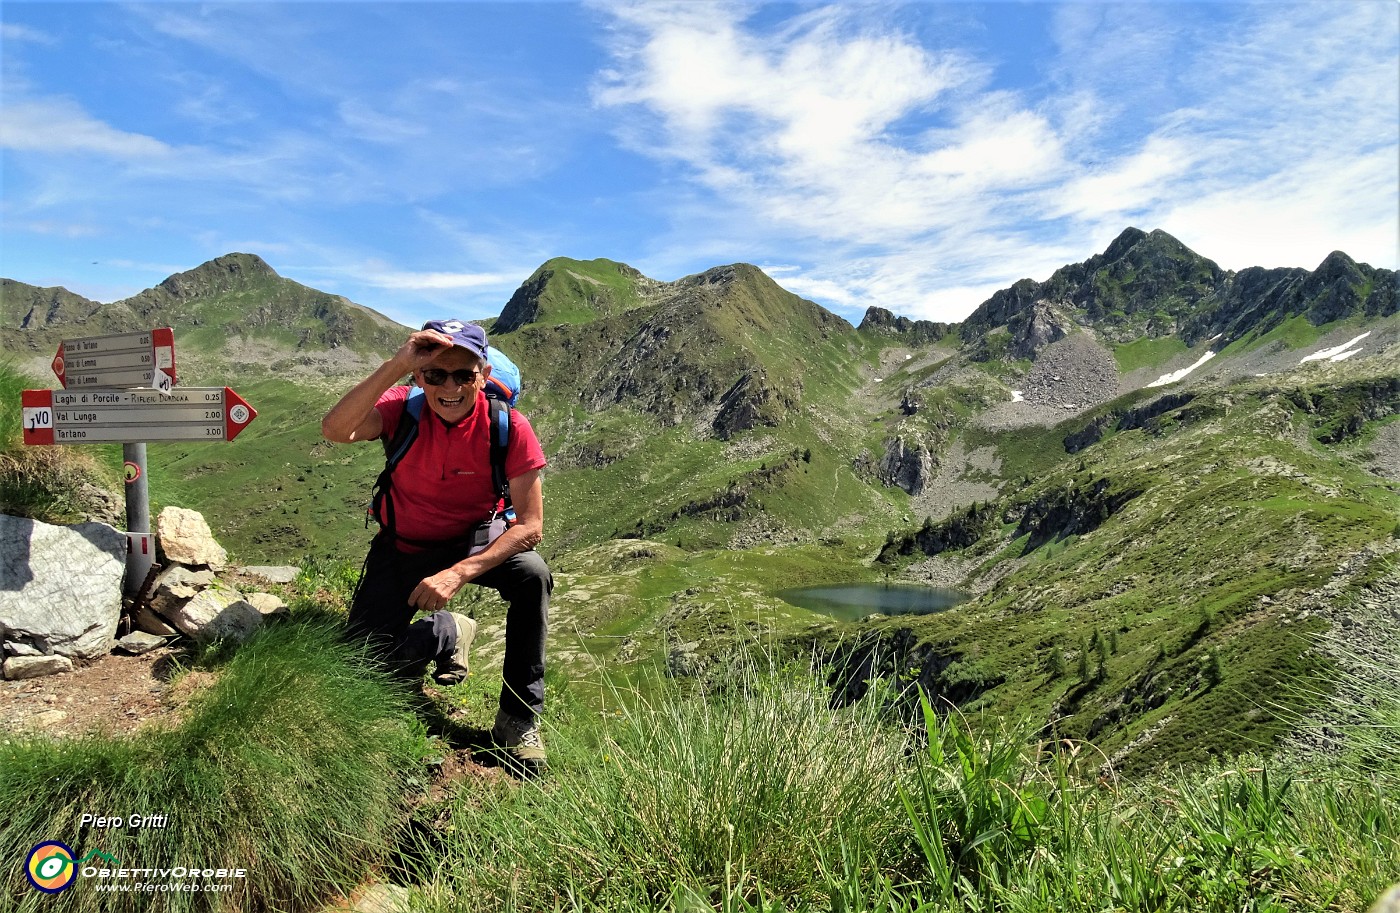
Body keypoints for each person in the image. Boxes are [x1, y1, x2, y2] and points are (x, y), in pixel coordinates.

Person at [322, 319, 551, 774]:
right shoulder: (400, 409)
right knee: (360, 666)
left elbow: (530, 526)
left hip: (472, 544)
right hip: (403, 546)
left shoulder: (508, 425)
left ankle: (518, 719)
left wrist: (460, 571)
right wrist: (399, 364)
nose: (450, 386)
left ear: (483, 376)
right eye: (434, 374)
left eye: (463, 374)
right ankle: (445, 632)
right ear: (419, 377)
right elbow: (336, 429)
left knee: (532, 575)